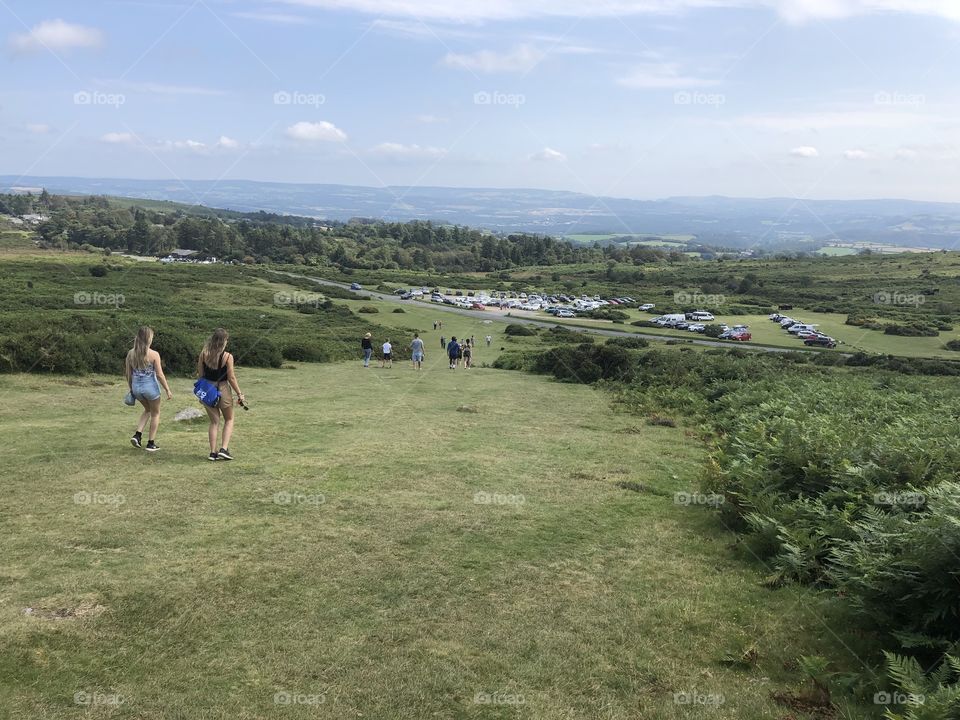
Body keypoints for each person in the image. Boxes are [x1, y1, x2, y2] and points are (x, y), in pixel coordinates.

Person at [197, 328, 245, 462]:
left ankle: (212, 452)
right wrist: (239, 394)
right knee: (229, 419)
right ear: (224, 341)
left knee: (214, 422)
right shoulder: (227, 356)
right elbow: (231, 378)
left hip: (207, 389)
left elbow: (200, 374)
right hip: (223, 389)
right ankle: (224, 449)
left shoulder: (203, 354)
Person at [125, 326, 173, 452]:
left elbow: (128, 374)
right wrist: (167, 389)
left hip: (136, 388)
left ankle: (137, 435)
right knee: (155, 413)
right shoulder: (154, 354)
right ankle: (151, 443)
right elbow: (159, 374)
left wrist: (131, 389)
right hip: (150, 388)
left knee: (147, 410)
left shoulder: (131, 353)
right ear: (148, 339)